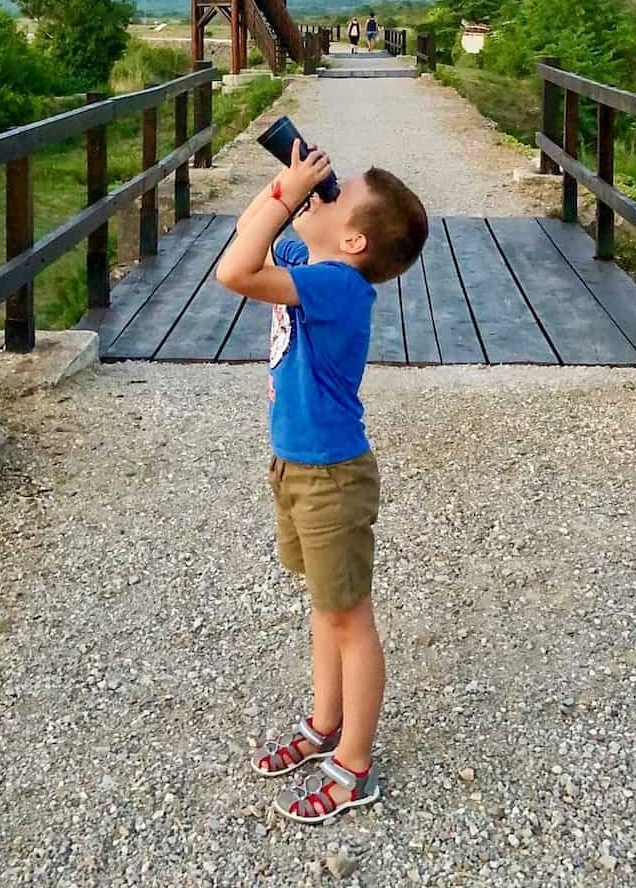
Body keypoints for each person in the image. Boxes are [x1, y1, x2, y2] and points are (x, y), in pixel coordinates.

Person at [215, 140, 429, 824]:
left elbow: (233, 272)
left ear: (356, 239)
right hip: (297, 465)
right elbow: (247, 241)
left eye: (332, 196)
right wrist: (284, 185)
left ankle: (354, 764)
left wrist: (284, 199)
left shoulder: (339, 286)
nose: (318, 195)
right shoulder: (316, 263)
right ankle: (323, 721)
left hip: (331, 477)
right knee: (324, 606)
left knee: (348, 615)